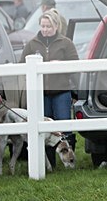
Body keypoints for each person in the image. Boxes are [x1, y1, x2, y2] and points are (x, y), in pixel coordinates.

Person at [20, 10, 79, 165]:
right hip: (41, 93)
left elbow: (75, 65)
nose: (45, 29)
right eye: (43, 26)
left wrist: (60, 65)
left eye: (49, 26)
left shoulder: (66, 43)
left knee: (64, 127)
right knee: (45, 129)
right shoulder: (32, 44)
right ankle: (49, 163)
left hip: (61, 91)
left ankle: (69, 161)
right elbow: (22, 65)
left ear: (56, 26)